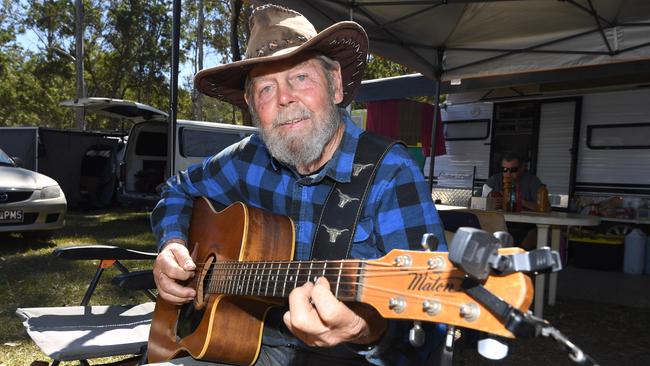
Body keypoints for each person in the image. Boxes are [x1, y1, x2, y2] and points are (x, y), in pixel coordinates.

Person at [149, 4, 447, 366]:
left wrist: (365, 331)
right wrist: (173, 243)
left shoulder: (390, 175)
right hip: (247, 341)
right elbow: (177, 189)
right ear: (252, 106)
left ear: (335, 84)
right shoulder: (247, 159)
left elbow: (429, 329)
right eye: (266, 89)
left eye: (300, 78)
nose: (284, 98)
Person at [484, 151, 549, 248]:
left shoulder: (531, 181)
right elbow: (472, 201)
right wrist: (489, 200)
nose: (508, 173)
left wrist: (519, 201)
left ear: (522, 169)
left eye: (513, 169)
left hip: (525, 228)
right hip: (499, 226)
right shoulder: (495, 180)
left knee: (534, 235)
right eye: (505, 169)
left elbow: (547, 207)